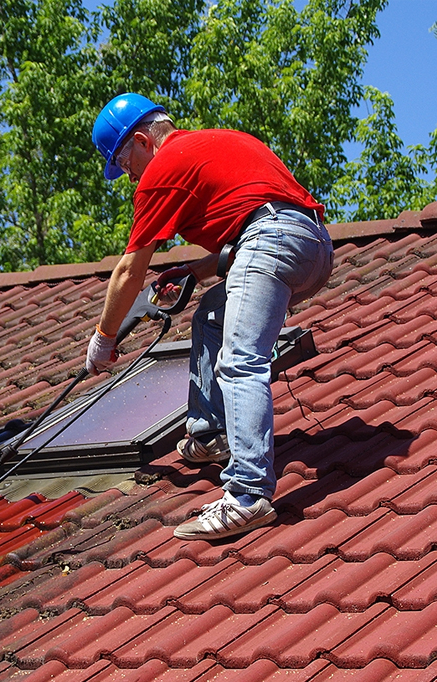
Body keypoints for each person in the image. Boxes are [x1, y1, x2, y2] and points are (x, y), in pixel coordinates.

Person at [87, 93, 333, 541]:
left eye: (125, 165)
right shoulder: (218, 141)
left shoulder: (161, 170)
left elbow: (129, 269)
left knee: (241, 360)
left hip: (271, 239)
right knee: (212, 316)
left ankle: (247, 496)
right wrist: (194, 270)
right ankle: (210, 433)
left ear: (142, 141)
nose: (130, 177)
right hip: (314, 247)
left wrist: (104, 337)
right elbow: (260, 228)